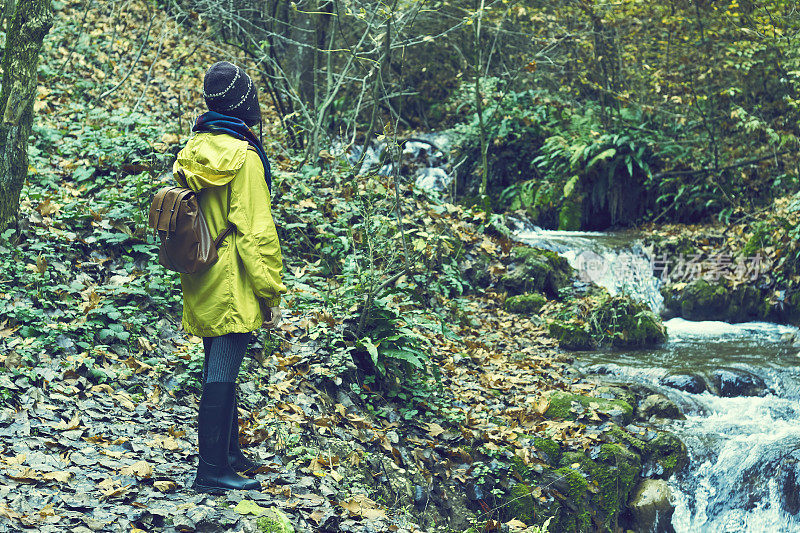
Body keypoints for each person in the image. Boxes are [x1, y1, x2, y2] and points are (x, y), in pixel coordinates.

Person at [172, 61, 287, 493]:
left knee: (218, 362)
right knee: (222, 368)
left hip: (201, 268)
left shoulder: (196, 145)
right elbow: (257, 234)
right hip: (234, 276)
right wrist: (269, 292)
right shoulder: (245, 158)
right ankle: (211, 469)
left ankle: (230, 452)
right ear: (244, 104)